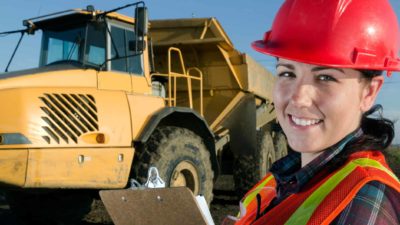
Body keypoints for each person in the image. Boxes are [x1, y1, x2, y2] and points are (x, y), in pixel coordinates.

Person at [226, 0, 400, 224]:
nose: (298, 98)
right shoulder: (281, 182)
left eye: (325, 77)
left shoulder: (364, 201)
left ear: (369, 92)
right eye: (287, 73)